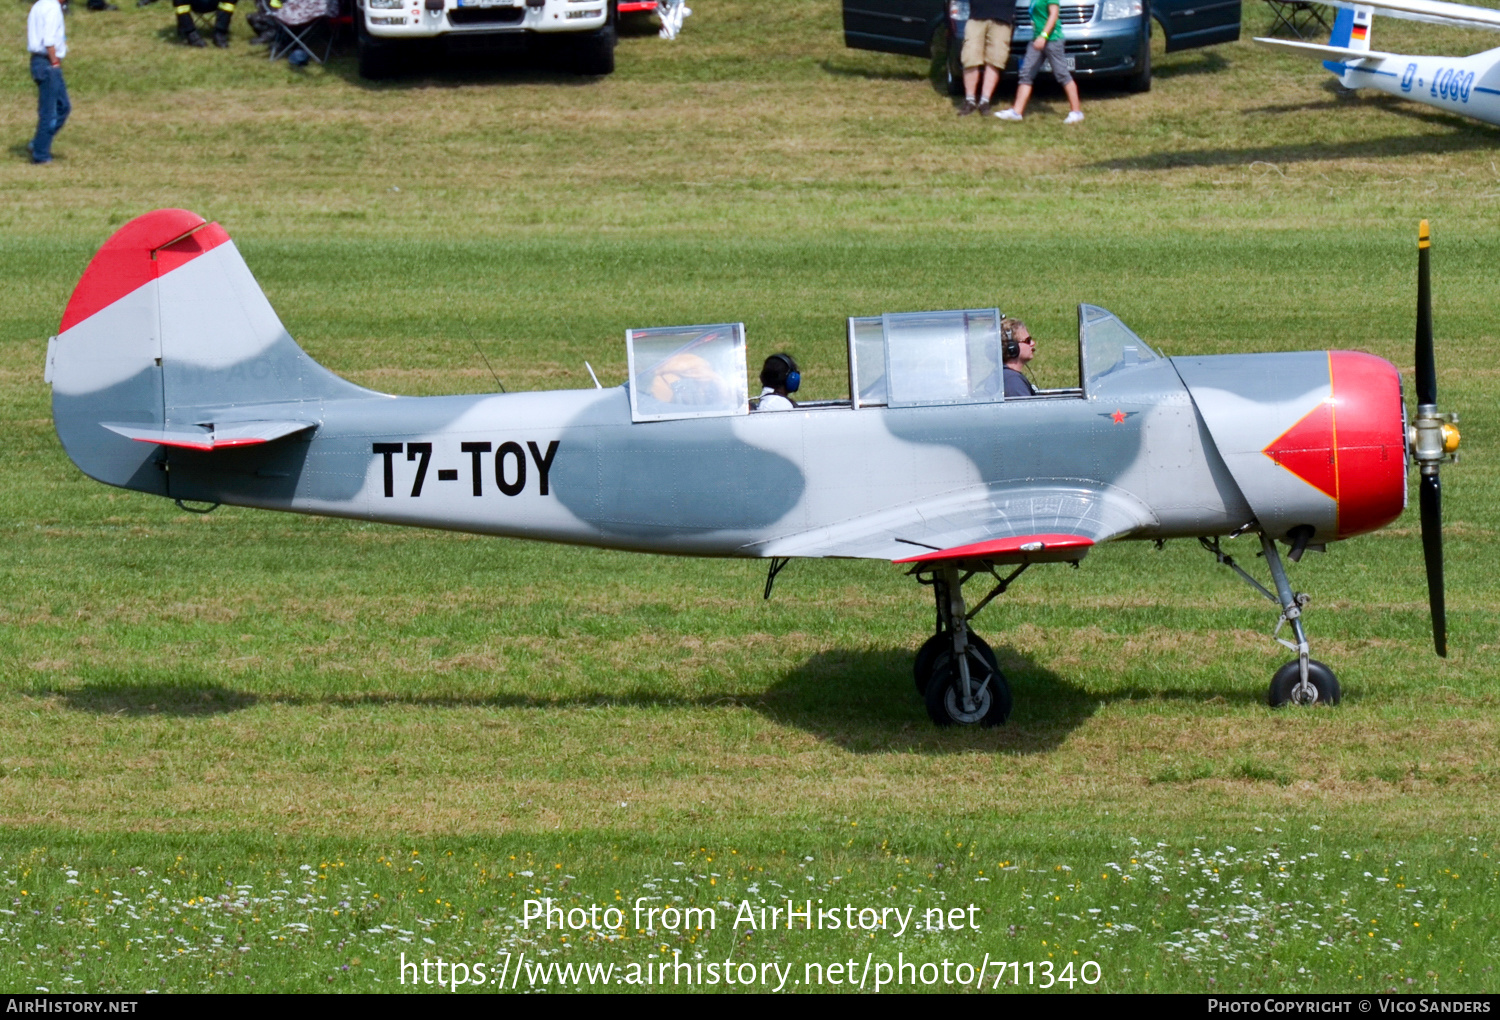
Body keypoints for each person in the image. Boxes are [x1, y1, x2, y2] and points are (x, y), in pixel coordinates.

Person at [994, 0, 1084, 124]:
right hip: (1036, 40)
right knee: (1026, 73)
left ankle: (1076, 112)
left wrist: (1044, 35)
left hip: (1052, 40)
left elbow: (1054, 15)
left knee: (1062, 74)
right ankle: (1017, 112)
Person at [27, 0, 70, 165]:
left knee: (63, 106)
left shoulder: (39, 5)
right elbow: (49, 40)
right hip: (47, 62)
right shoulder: (52, 8)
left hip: (39, 61)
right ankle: (41, 154)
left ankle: (38, 143)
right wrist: (55, 63)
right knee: (50, 111)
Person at [956, 0, 1014, 117]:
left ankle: (985, 101)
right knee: (970, 57)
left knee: (995, 59)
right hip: (977, 15)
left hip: (1003, 16)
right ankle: (970, 100)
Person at [1001, 318, 1038, 397]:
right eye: (1028, 340)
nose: (1032, 343)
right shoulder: (1012, 381)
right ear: (1012, 347)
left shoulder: (1007, 376)